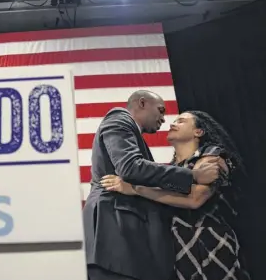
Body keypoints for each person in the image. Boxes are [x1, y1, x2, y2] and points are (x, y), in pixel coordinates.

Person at [83, 90, 222, 280]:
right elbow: (130, 167)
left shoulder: (214, 155)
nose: (165, 119)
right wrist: (193, 175)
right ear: (142, 103)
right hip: (115, 235)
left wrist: (135, 189)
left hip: (133, 244)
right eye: (161, 110)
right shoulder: (118, 120)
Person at [101, 111, 250, 280]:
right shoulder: (171, 170)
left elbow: (195, 199)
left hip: (210, 243)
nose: (172, 124)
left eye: (181, 121)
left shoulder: (213, 157)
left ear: (198, 132)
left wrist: (135, 189)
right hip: (176, 249)